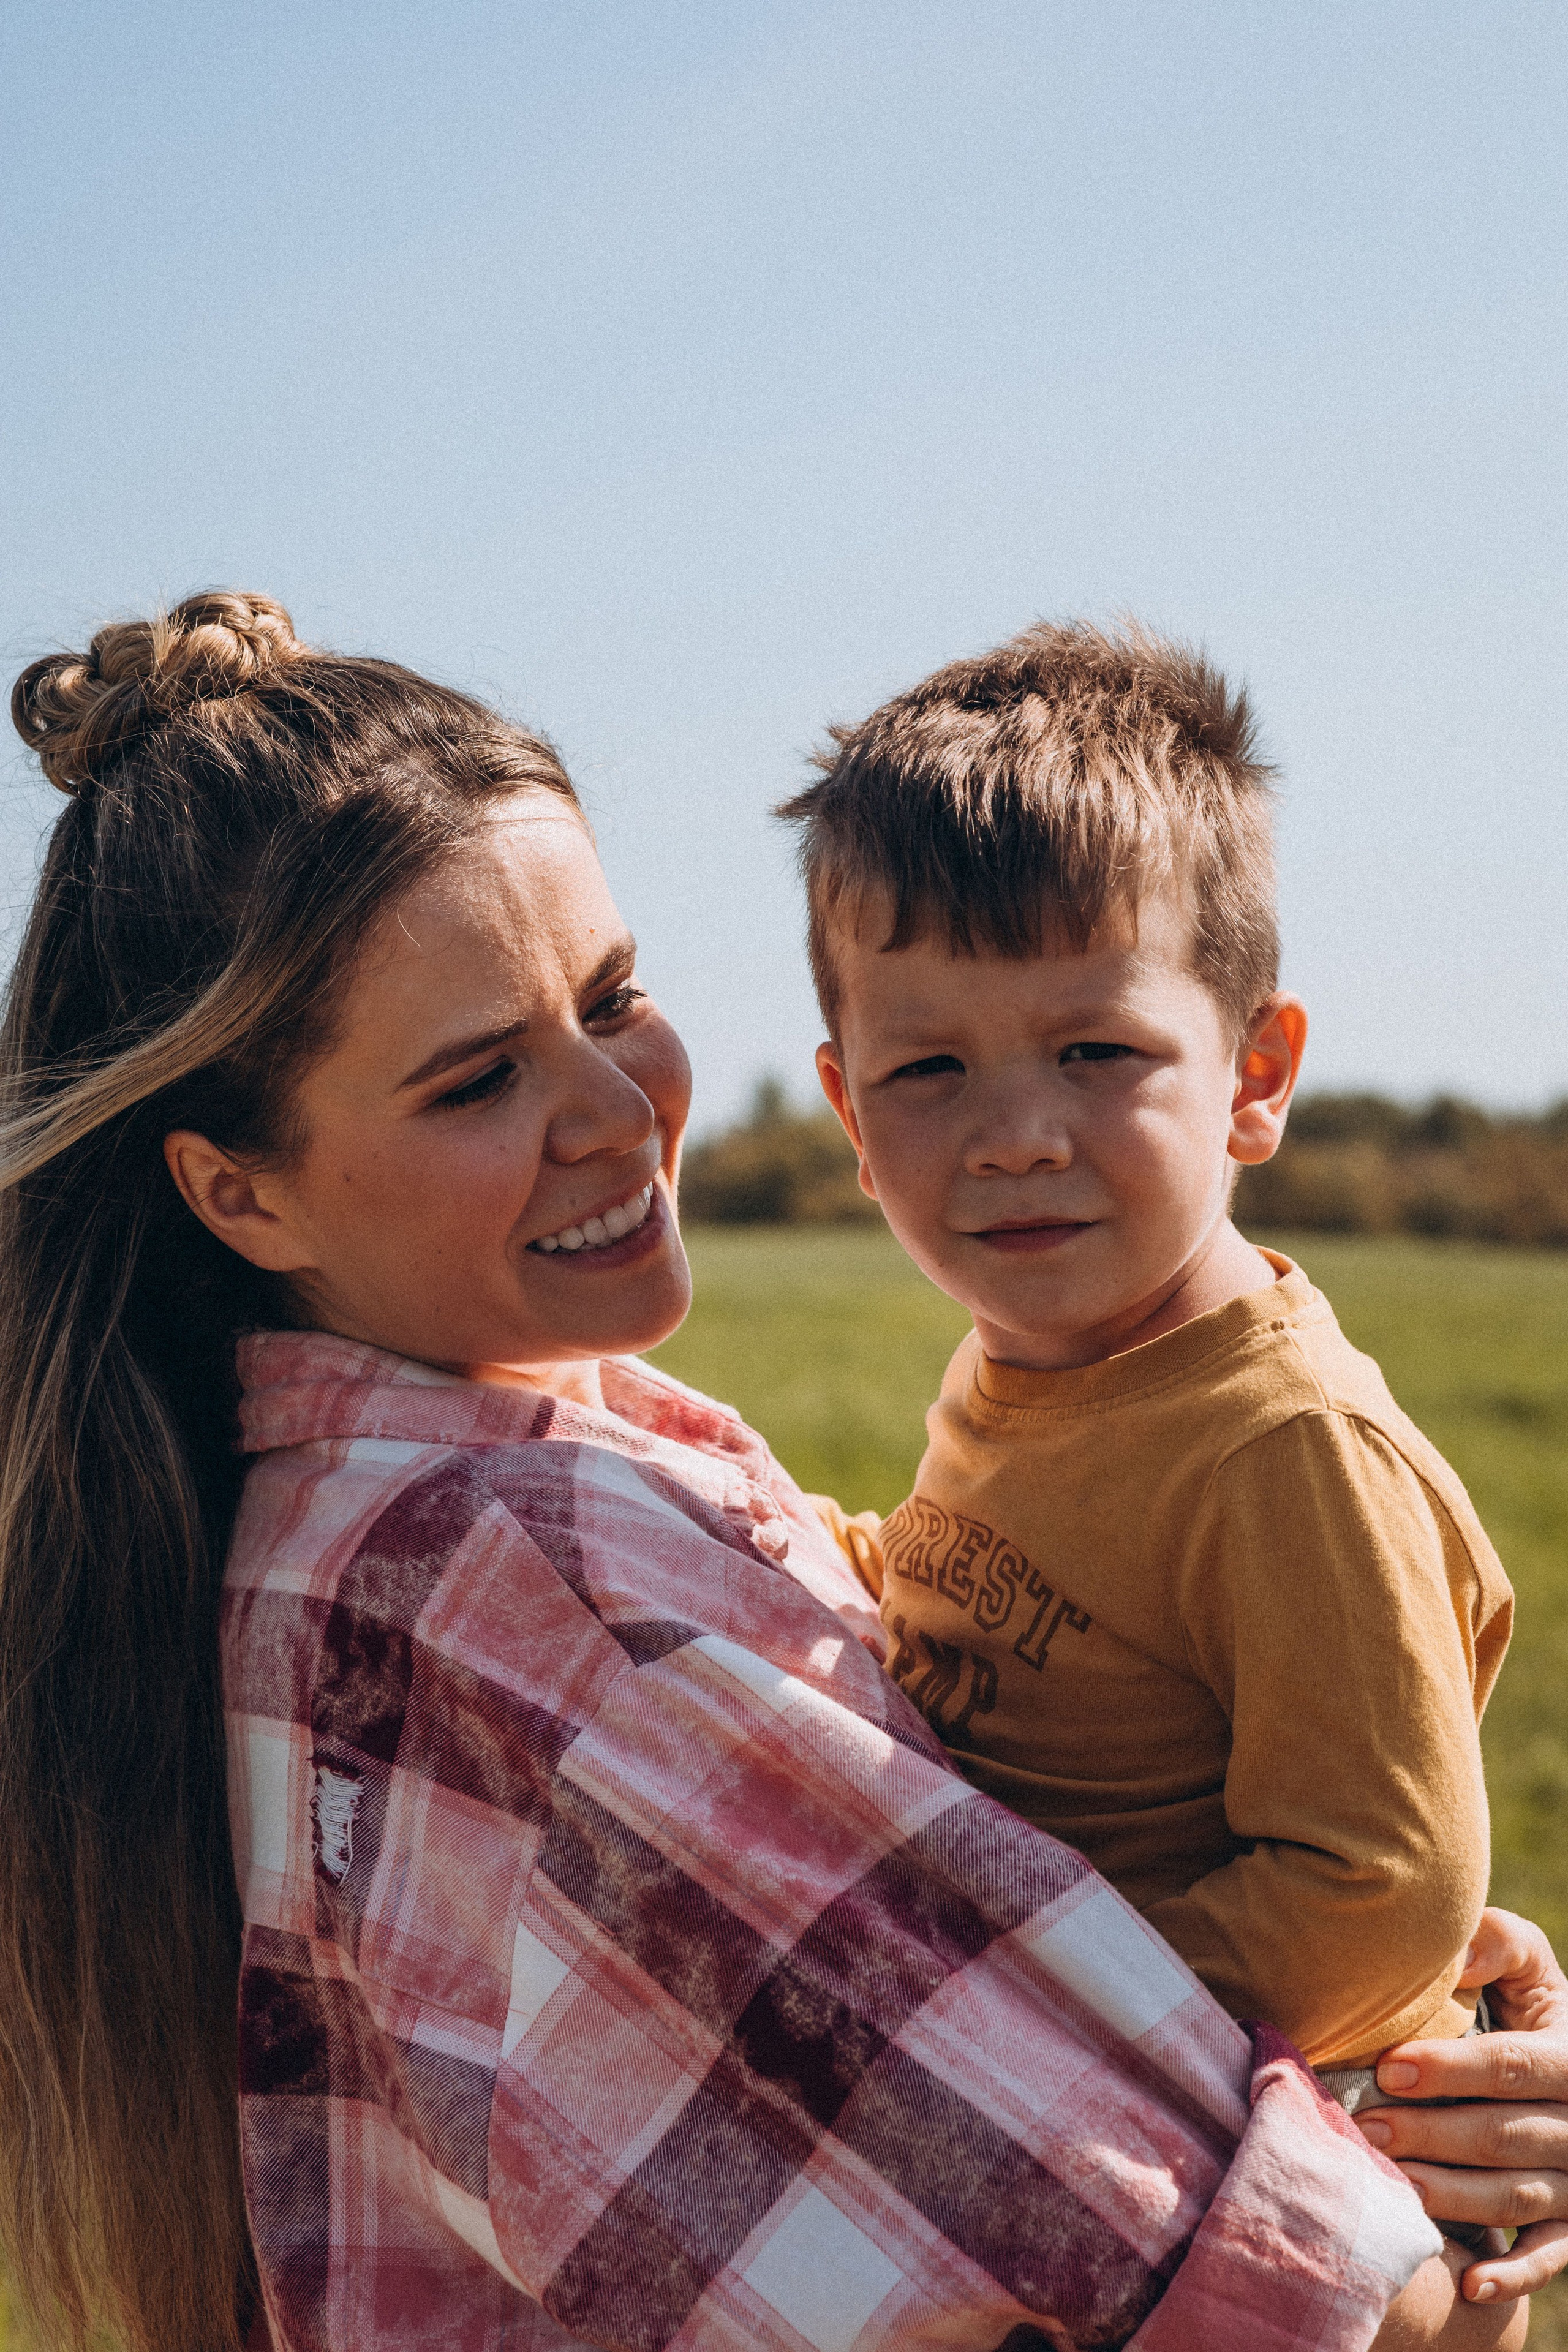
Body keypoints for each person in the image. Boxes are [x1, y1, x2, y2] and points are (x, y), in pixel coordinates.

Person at [0, 594, 1555, 2352]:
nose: (616, 1108)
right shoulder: (559, 1602)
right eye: (477, 1079)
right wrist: (1465, 2190)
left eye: (614, 997)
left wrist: (1411, 2020)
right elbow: (1322, 2313)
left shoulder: (316, 1531)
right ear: (241, 1192)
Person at [785, 622, 1510, 2105]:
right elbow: (995, 1615)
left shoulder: (1280, 1449)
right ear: (852, 1120)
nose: (1013, 1135)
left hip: (1223, 2160)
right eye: (927, 1071)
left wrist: (1006, 2002)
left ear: (1253, 1077)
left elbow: (1378, 1896)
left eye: (1096, 1053)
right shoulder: (1036, 1357)